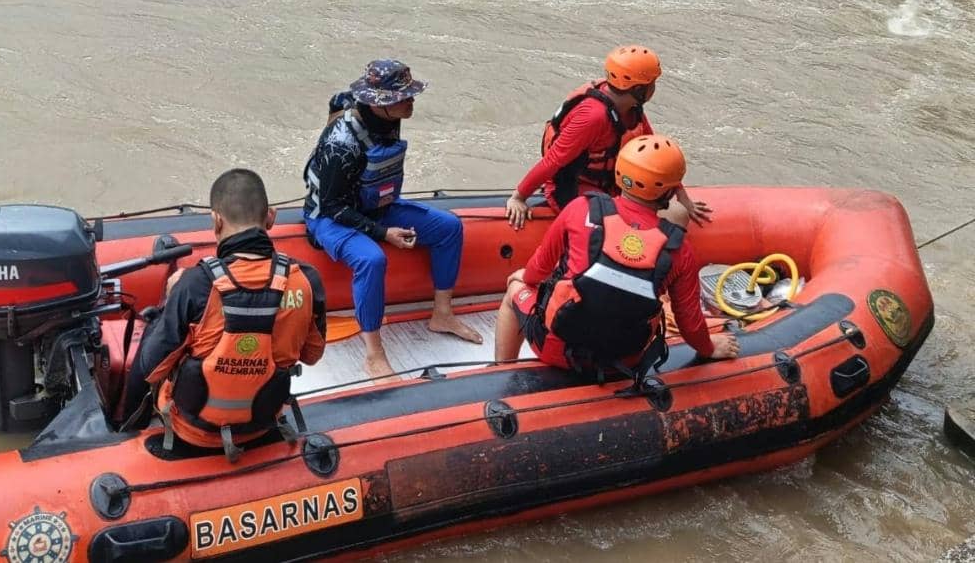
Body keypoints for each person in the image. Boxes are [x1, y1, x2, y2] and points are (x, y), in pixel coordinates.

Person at [494, 134, 738, 379]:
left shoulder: (580, 208)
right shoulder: (680, 250)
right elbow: (690, 324)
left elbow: (537, 271)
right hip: (626, 358)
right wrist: (709, 347)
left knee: (516, 285)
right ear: (671, 191)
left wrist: (523, 276)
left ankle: (499, 376)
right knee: (655, 306)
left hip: (557, 349)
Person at [122, 168, 326, 460]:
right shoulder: (307, 280)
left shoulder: (194, 284)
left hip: (193, 432)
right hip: (261, 424)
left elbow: (150, 367)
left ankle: (123, 433)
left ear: (216, 221)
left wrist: (169, 301)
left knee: (155, 330)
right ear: (271, 217)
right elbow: (311, 355)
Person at [303, 59, 481, 380]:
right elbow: (331, 206)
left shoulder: (387, 117)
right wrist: (383, 233)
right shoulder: (342, 144)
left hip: (375, 205)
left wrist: (380, 222)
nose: (411, 100)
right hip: (331, 217)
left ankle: (442, 313)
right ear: (379, 103)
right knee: (371, 260)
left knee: (449, 227)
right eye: (403, 96)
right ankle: (374, 354)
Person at [504, 46, 710, 229]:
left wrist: (684, 199)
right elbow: (553, 161)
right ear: (639, 89)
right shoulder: (593, 117)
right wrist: (519, 197)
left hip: (605, 183)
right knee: (620, 226)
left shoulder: (630, 106)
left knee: (676, 214)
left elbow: (654, 153)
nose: (654, 89)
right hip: (571, 188)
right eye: (652, 83)